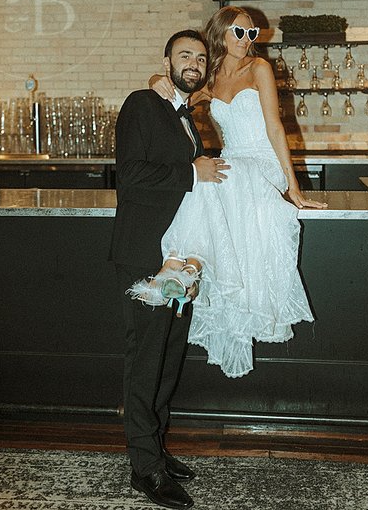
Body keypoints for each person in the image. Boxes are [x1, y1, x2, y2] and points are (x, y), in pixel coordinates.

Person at [134, 5, 326, 379]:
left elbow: (274, 126)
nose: (246, 40)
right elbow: (177, 91)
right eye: (239, 33)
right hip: (235, 164)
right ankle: (186, 266)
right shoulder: (211, 77)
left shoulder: (259, 69)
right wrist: (157, 76)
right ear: (221, 33)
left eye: (251, 34)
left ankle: (180, 262)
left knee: (219, 174)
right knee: (208, 177)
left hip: (262, 163)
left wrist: (293, 185)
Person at [110, 29, 229, 510]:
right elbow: (130, 176)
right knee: (145, 362)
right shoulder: (143, 102)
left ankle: (155, 445)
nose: (194, 63)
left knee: (167, 359)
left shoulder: (185, 114)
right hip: (143, 254)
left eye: (200, 57)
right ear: (166, 61)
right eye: (185, 55)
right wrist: (192, 171)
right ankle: (145, 468)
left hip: (177, 255)